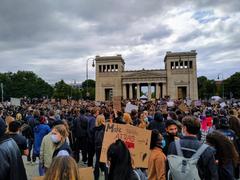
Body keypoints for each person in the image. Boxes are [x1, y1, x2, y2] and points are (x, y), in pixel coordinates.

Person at [93, 114, 108, 180]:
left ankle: (96, 177)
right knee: (105, 163)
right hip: (103, 146)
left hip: (97, 147)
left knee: (97, 162)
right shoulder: (104, 127)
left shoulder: (95, 128)